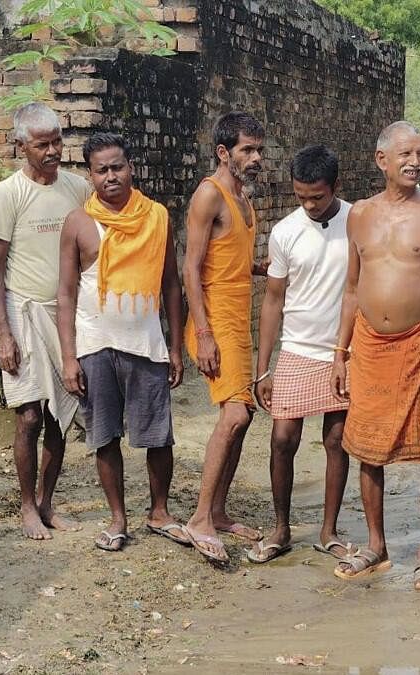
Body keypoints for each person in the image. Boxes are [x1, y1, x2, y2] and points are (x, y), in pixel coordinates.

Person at [330, 121, 420, 592]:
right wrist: (340, 352)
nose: (415, 162)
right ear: (381, 160)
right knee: (367, 448)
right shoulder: (360, 215)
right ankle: (376, 545)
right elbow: (351, 288)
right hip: (370, 344)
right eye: (406, 154)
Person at [57, 132, 186, 552]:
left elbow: (170, 284)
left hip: (146, 344)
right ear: (90, 175)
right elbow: (66, 294)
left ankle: (160, 511)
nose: (111, 176)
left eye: (118, 167)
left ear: (131, 167)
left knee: (158, 436)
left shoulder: (157, 217)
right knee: (104, 436)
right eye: (101, 170)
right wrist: (69, 357)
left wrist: (176, 347)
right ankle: (117, 519)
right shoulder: (78, 222)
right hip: (95, 344)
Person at [0, 104, 90, 540]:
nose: (52, 151)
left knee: (59, 415)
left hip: (66, 315)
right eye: (42, 144)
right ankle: (26, 506)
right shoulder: (8, 193)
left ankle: (47, 503)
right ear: (20, 145)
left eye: (57, 141)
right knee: (29, 414)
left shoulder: (78, 189)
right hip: (23, 310)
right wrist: (3, 333)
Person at [249, 145, 352, 564]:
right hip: (296, 348)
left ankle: (328, 530)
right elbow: (273, 300)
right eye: (301, 196)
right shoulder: (285, 231)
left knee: (337, 439)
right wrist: (263, 368)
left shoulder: (357, 222)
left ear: (335, 188)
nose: (309, 205)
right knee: (282, 438)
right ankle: (281, 528)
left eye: (317, 197)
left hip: (344, 351)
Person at [180, 111, 268, 563]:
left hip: (239, 320)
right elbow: (191, 269)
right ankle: (198, 518)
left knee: (246, 416)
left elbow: (228, 259)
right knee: (234, 415)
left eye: (258, 149)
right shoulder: (208, 196)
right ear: (223, 152)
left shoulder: (243, 197)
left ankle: (217, 511)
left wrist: (259, 267)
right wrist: (203, 334)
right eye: (246, 150)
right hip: (214, 322)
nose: (255, 158)